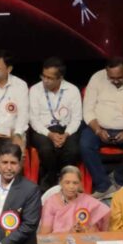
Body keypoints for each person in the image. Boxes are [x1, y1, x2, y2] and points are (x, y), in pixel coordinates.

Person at [80, 56, 123, 200]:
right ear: (106, 71)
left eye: (120, 77)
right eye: (112, 78)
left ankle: (118, 178)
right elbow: (87, 110)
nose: (116, 81)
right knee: (84, 145)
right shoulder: (96, 78)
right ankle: (104, 186)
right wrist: (98, 130)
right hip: (100, 127)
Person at [28, 57, 82, 192]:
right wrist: (50, 135)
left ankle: (65, 179)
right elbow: (34, 119)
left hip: (66, 129)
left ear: (60, 78)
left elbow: (76, 119)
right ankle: (50, 181)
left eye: (50, 78)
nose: (45, 80)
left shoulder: (72, 90)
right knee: (46, 149)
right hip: (43, 129)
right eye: (43, 76)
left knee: (73, 150)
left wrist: (66, 134)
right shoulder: (35, 90)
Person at [39, 165, 109, 234]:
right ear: (60, 182)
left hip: (84, 240)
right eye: (67, 182)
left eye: (75, 183)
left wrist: (86, 230)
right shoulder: (51, 202)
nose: (71, 186)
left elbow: (106, 217)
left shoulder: (88, 201)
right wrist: (69, 233)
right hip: (60, 240)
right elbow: (44, 234)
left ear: (80, 184)